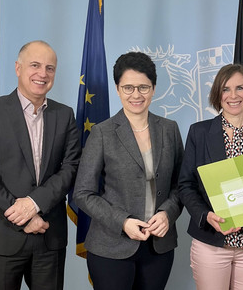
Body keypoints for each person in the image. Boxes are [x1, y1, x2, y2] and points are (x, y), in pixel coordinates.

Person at [0, 40, 81, 289]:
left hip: (49, 236)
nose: (43, 73)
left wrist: (34, 202)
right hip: (1, 235)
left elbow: (71, 167)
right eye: (35, 65)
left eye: (50, 68)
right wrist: (24, 216)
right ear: (18, 68)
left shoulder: (65, 115)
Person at [73, 52, 184, 290]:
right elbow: (82, 193)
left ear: (154, 89)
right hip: (111, 246)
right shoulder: (102, 133)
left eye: (143, 87)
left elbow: (181, 185)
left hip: (158, 246)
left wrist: (168, 214)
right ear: (117, 89)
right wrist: (123, 222)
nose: (136, 95)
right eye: (128, 87)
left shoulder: (169, 130)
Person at [178, 64, 243, 290]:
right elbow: (186, 185)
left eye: (240, 88)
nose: (233, 95)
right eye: (226, 89)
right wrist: (205, 215)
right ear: (218, 94)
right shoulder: (199, 132)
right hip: (211, 243)